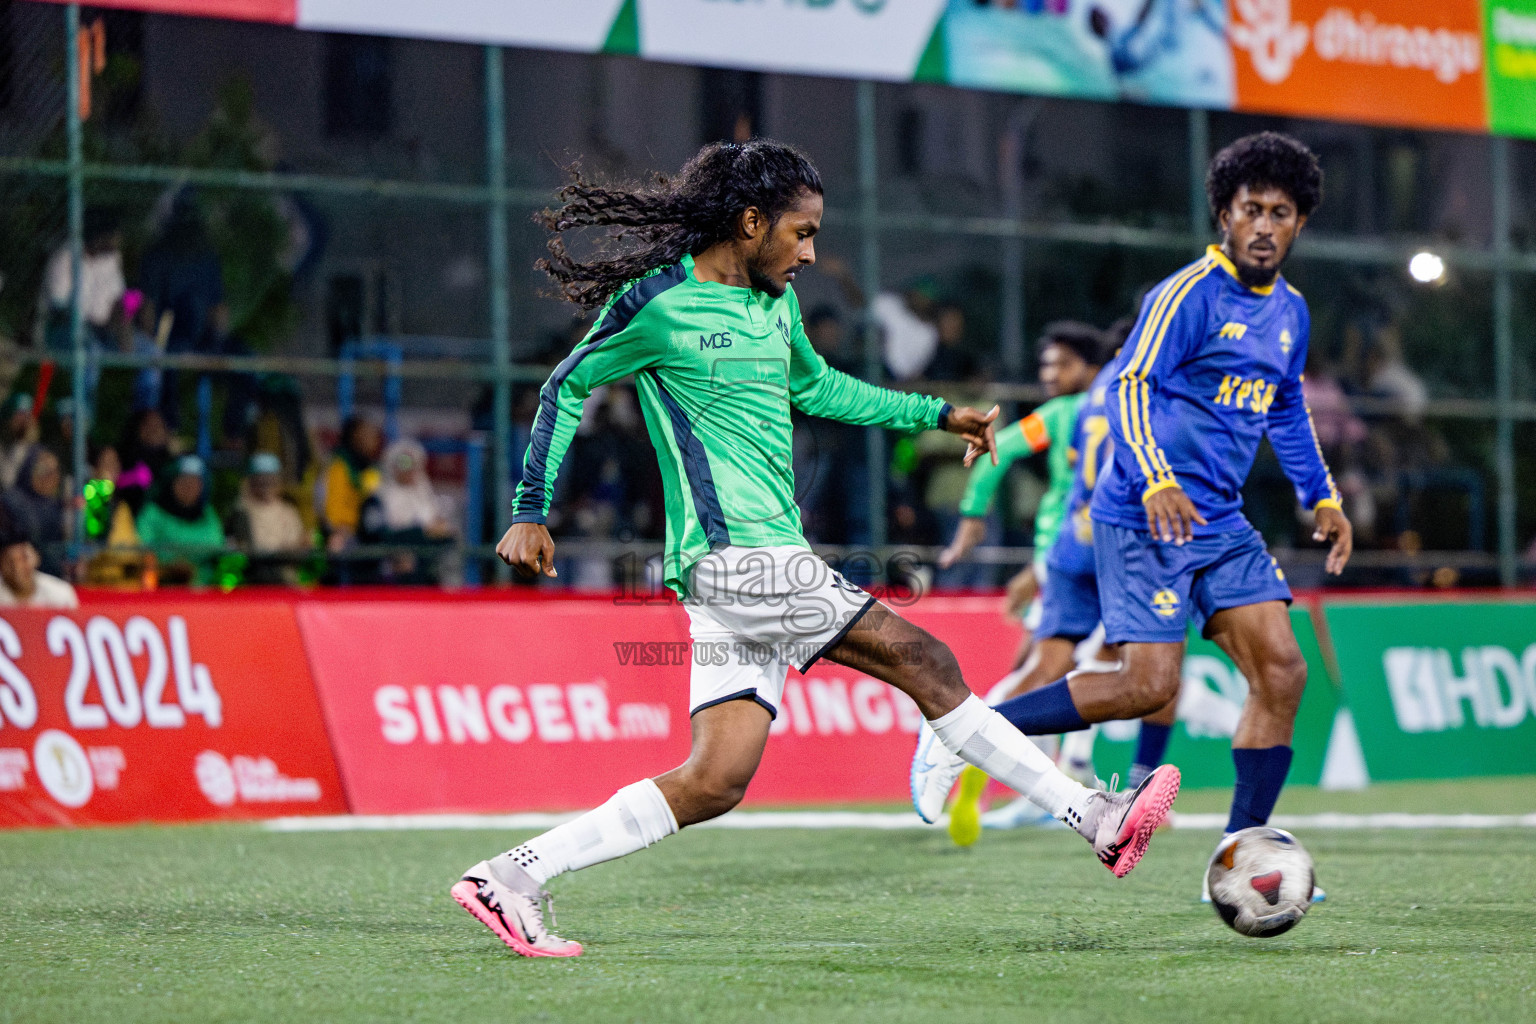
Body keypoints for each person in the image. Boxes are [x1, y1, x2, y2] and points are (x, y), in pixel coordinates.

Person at [451, 139, 1181, 958]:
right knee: (928, 662)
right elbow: (567, 383)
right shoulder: (656, 300)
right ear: (751, 221)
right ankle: (1095, 816)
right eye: (800, 233)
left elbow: (820, 388)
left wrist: (938, 415)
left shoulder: (775, 303)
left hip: (749, 564)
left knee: (715, 780)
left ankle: (510, 877)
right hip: (736, 558)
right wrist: (530, 508)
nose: (810, 252)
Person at [965, 132, 1350, 897]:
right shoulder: (1187, 294)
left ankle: (1241, 854)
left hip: (1219, 520)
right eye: (1251, 210)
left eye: (1280, 212)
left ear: (1300, 222)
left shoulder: (1291, 314)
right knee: (1146, 684)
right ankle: (970, 730)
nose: (1264, 226)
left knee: (1282, 670)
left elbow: (1286, 405)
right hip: (1143, 513)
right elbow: (1130, 386)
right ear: (1225, 214)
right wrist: (1156, 478)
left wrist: (1324, 496)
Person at [936, 322, 1107, 662]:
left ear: (1093, 368)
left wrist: (973, 513)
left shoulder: (1060, 413)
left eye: (1063, 364)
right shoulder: (1124, 408)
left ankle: (992, 714)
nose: (1050, 375)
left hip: (1062, 550)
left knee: (1038, 665)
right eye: (1045, 365)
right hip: (1106, 548)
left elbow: (997, 447)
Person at [358, 438, 454, 584]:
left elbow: (440, 532)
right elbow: (375, 534)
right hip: (388, 570)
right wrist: (422, 533)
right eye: (403, 464)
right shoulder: (377, 498)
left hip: (425, 568)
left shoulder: (423, 494)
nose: (409, 470)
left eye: (414, 464)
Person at [136, 455, 226, 585]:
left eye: (195, 482)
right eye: (183, 481)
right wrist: (170, 564)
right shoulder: (153, 512)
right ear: (172, 482)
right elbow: (142, 546)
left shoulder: (208, 513)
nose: (189, 487)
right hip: (161, 585)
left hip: (203, 588)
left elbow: (216, 545)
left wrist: (193, 567)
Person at [227, 451, 311, 584]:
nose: (266, 483)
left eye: (270, 478)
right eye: (260, 478)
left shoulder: (289, 511)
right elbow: (243, 550)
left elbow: (298, 547)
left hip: (286, 581)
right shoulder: (242, 510)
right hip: (254, 581)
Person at [3, 448, 66, 577]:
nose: (51, 477)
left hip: (49, 580)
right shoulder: (11, 502)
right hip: (17, 577)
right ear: (29, 469)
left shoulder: (53, 506)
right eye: (44, 470)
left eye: (55, 471)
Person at [0, 536, 77, 609]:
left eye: (24, 558)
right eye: (9, 562)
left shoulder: (60, 593)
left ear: (37, 557)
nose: (17, 568)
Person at [0, 394, 39, 492]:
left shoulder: (38, 453)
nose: (24, 419)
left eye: (27, 414)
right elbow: (7, 482)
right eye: (20, 414)